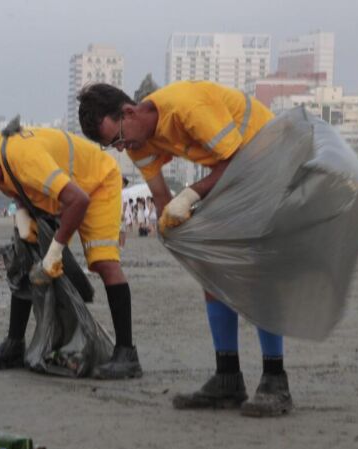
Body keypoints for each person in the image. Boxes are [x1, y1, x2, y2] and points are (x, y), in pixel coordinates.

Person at [78, 80, 291, 416]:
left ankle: (276, 380)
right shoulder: (137, 140)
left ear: (129, 111)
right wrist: (177, 235)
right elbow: (162, 199)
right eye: (111, 146)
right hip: (235, 171)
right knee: (210, 270)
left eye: (117, 138)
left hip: (271, 159)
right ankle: (227, 377)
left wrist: (190, 195)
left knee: (254, 270)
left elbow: (237, 163)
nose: (121, 148)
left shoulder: (187, 107)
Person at [0, 121, 141, 379]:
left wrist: (55, 252)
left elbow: (78, 200)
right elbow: (17, 185)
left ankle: (126, 354)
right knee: (22, 257)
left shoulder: (27, 160)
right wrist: (23, 213)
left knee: (104, 262)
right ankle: (14, 344)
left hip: (96, 183)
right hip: (58, 193)